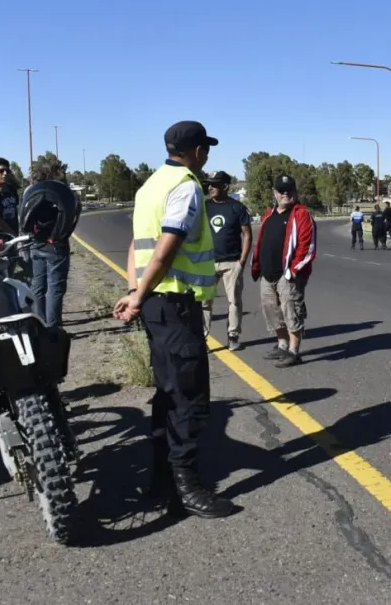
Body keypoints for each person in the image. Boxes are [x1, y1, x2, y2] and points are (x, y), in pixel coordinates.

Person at [113, 120, 234, 519]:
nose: (207, 155)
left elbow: (136, 245)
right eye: (206, 148)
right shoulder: (186, 186)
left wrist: (134, 290)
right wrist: (139, 295)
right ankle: (188, 489)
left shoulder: (150, 186)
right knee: (188, 398)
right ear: (197, 151)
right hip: (175, 304)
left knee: (167, 392)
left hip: (156, 305)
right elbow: (165, 247)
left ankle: (161, 481)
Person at [250, 174, 316, 368]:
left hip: (288, 274)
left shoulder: (301, 214)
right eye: (281, 191)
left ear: (295, 191)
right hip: (267, 273)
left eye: (289, 190)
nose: (285, 194)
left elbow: (307, 246)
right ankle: (282, 345)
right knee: (271, 310)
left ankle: (294, 351)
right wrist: (257, 266)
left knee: (291, 310)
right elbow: (261, 241)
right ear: (275, 193)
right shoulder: (268, 214)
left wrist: (294, 270)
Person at [202, 171, 252, 350]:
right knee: (204, 302)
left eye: (214, 184)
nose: (210, 187)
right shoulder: (205, 207)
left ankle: (233, 336)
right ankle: (202, 339)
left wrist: (241, 262)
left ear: (225, 186)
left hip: (232, 263)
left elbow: (247, 235)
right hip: (207, 263)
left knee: (234, 301)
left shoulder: (237, 207)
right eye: (209, 184)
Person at [23, 160, 75, 327]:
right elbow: (72, 215)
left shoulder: (31, 191)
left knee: (38, 286)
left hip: (35, 244)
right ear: (55, 173)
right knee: (55, 289)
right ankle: (53, 328)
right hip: (56, 245)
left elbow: (23, 217)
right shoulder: (60, 190)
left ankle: (39, 324)